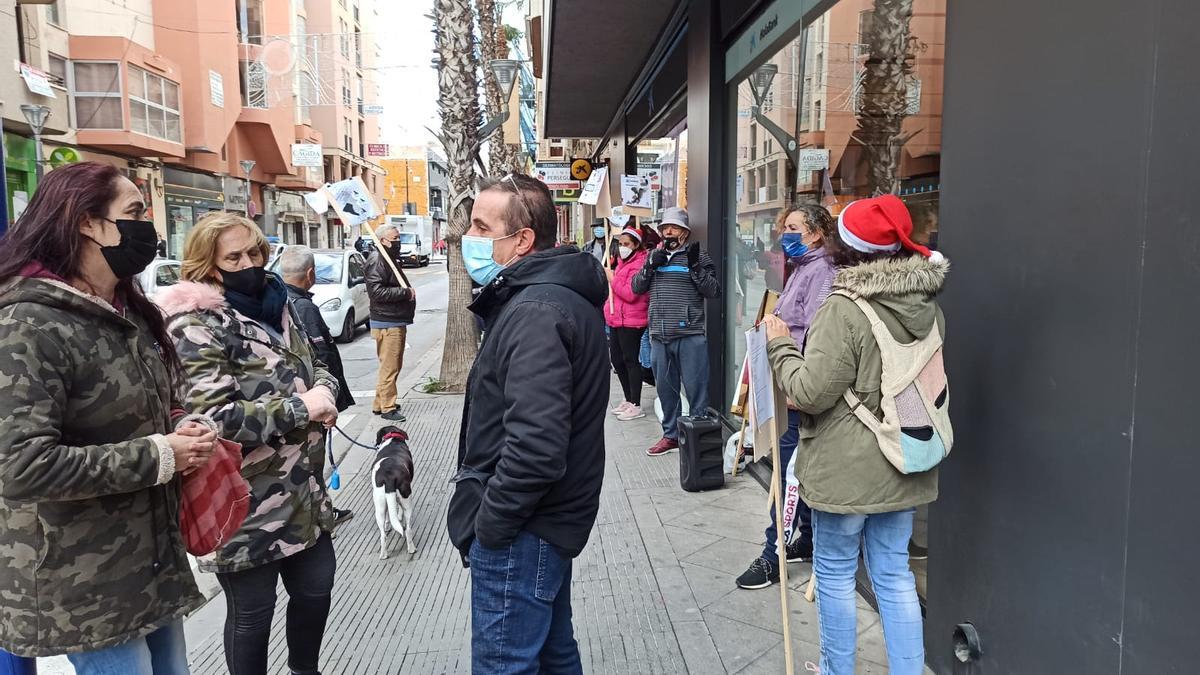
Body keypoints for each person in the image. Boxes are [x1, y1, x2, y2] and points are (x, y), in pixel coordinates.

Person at [0, 162, 217, 672]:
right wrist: (161, 454)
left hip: (151, 562)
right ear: (87, 223)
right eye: (135, 212)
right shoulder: (27, 323)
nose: (149, 228)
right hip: (82, 581)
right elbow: (19, 465)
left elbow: (148, 408)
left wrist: (181, 424)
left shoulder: (125, 311)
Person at [762, 194, 946, 675]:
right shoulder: (927, 308)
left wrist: (780, 344)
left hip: (846, 466)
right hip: (904, 456)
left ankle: (836, 669)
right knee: (894, 574)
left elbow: (809, 391)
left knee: (836, 573)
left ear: (848, 245)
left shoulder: (844, 307)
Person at [157, 211, 341, 675]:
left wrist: (326, 391)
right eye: (234, 256)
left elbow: (313, 363)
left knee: (317, 591)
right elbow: (214, 418)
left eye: (255, 252)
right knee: (252, 618)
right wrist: (305, 408)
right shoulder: (194, 324)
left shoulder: (279, 302)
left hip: (305, 490)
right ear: (208, 265)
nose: (250, 263)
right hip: (243, 500)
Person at [447, 173, 608, 674]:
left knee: (506, 664)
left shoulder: (537, 310)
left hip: (525, 529)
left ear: (522, 240)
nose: (467, 238)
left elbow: (536, 447)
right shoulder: (538, 299)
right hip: (543, 524)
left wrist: (490, 526)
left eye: (480, 226)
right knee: (553, 654)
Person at [736, 204, 838, 590]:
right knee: (795, 466)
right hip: (788, 379)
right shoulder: (805, 268)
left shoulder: (823, 271)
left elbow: (817, 333)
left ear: (814, 233)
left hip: (799, 386)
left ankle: (772, 553)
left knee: (789, 473)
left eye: (793, 227)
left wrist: (798, 385)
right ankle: (807, 538)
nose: (785, 234)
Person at [631, 206, 721, 456]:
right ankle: (670, 435)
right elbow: (636, 288)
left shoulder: (699, 257)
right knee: (666, 390)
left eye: (674, 227)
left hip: (690, 335)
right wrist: (649, 266)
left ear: (684, 232)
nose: (668, 231)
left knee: (696, 390)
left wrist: (695, 268)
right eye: (664, 228)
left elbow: (713, 291)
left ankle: (697, 438)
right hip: (659, 336)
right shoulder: (653, 255)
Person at [279, 246, 356, 527]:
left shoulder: (284, 303)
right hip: (313, 405)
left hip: (299, 404)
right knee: (313, 462)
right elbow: (319, 358)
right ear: (310, 274)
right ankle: (320, 515)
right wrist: (328, 398)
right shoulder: (303, 308)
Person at [366, 224, 416, 422]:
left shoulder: (387, 258)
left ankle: (380, 403)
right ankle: (388, 407)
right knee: (390, 367)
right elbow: (376, 292)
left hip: (392, 319)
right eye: (394, 239)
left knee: (390, 365)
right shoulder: (378, 260)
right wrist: (405, 292)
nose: (398, 242)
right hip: (388, 322)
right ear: (383, 240)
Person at [604, 226, 650, 421]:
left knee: (630, 360)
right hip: (617, 319)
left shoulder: (641, 264)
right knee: (617, 360)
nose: (622, 247)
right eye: (620, 244)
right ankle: (628, 398)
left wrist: (612, 278)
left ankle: (636, 403)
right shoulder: (622, 262)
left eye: (626, 244)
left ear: (636, 245)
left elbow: (631, 293)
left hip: (632, 320)